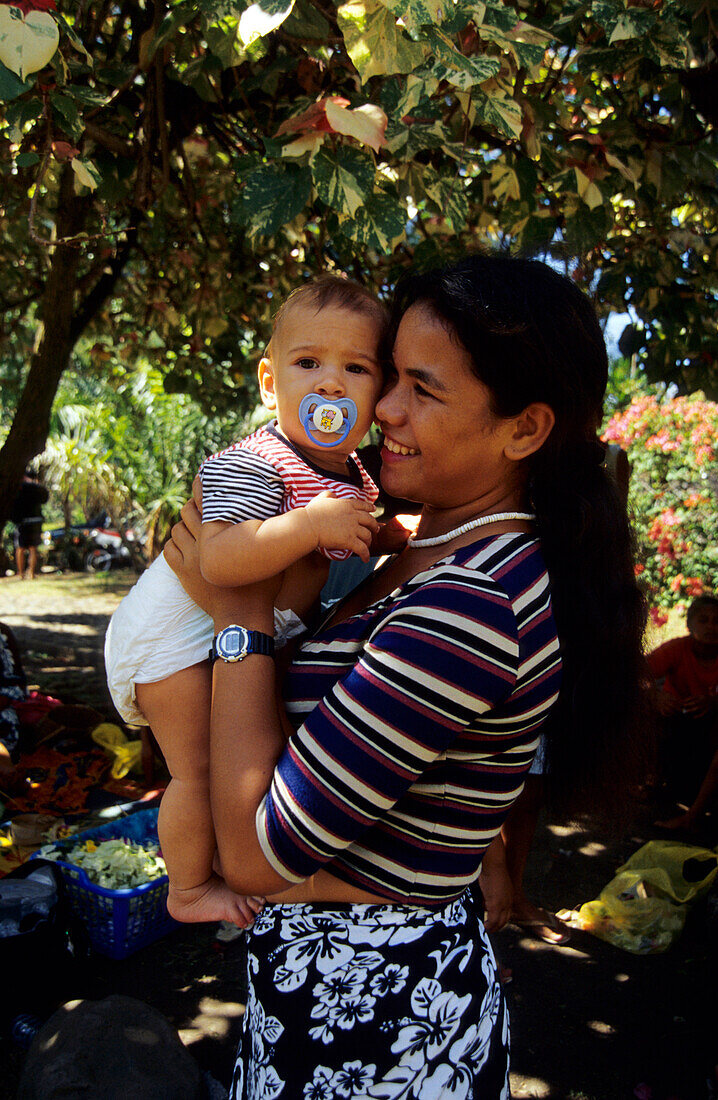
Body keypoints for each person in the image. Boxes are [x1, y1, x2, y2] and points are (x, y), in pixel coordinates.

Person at [166, 252, 647, 1098]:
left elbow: (252, 858)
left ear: (525, 431)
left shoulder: (473, 607)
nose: (380, 406)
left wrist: (236, 608)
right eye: (389, 377)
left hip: (377, 1032)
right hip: (318, 996)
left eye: (421, 390)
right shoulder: (415, 543)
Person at [105, 275, 389, 928]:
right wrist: (313, 526)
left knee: (234, 753)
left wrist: (380, 531)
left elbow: (355, 530)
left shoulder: (353, 477)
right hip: (164, 642)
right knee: (199, 772)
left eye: (356, 368)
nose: (330, 384)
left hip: (220, 636)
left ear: (379, 393)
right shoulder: (253, 462)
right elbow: (221, 558)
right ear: (270, 382)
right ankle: (186, 892)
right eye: (308, 363)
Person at [649, 594, 718, 830]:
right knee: (643, 706)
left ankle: (692, 816)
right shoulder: (678, 648)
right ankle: (651, 782)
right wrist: (654, 696)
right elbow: (636, 674)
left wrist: (714, 702)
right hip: (675, 723)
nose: (711, 626)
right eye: (704, 620)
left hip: (710, 733)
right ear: (689, 624)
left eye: (717, 621)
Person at [11, 469, 49, 580]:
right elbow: (45, 498)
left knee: (20, 548)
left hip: (24, 521)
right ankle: (31, 573)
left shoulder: (20, 487)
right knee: (33, 548)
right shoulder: (38, 488)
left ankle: (21, 574)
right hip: (36, 520)